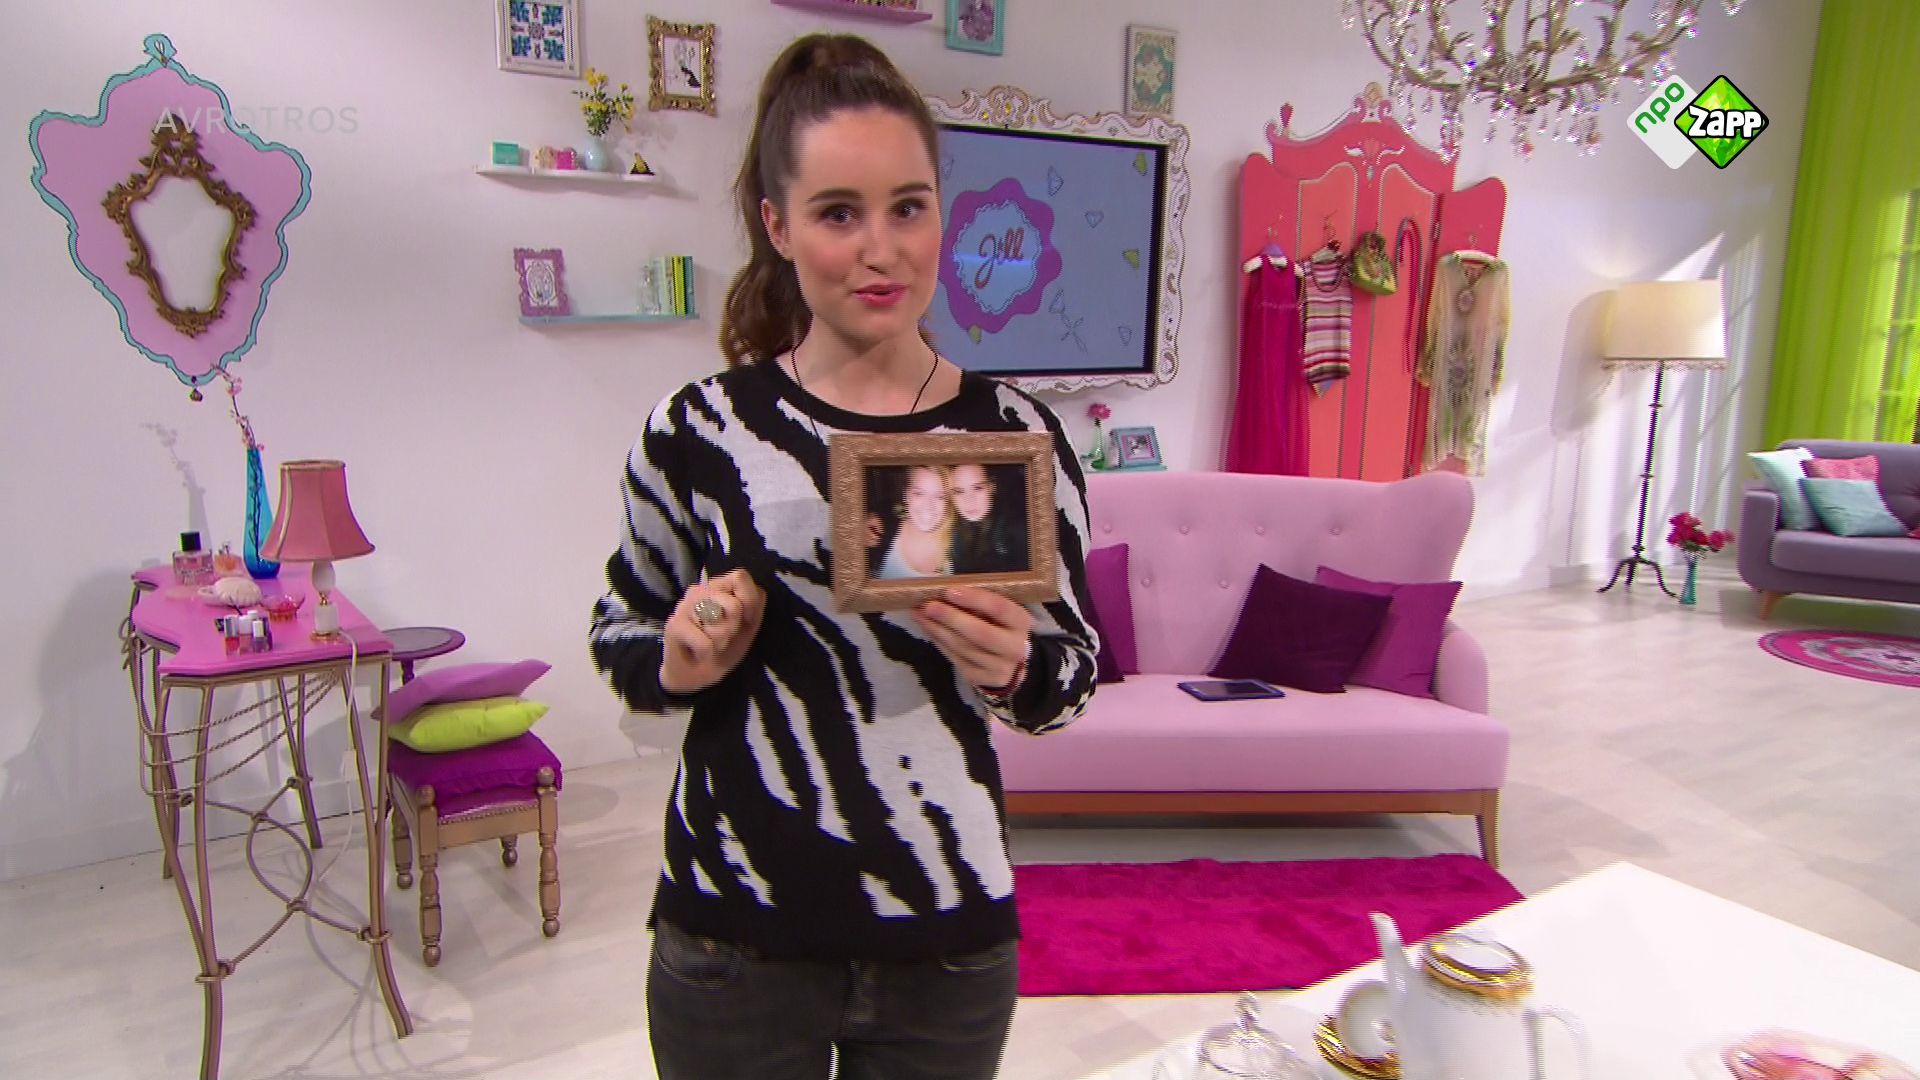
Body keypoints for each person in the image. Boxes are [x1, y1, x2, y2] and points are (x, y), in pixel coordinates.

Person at [587, 32, 1101, 1080]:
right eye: (837, 213)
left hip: (946, 936)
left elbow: (1074, 670)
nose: (882, 249)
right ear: (777, 225)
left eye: (909, 207)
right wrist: (681, 657)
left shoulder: (1015, 434)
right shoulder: (701, 429)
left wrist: (1014, 666)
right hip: (737, 930)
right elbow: (620, 632)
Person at [873, 463, 954, 579]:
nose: (929, 506)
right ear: (906, 495)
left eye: (939, 497)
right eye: (919, 493)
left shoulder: (958, 542)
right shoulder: (879, 532)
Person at [948, 462, 1028, 574]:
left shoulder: (1018, 527)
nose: (969, 500)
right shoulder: (947, 528)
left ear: (991, 487)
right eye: (959, 491)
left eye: (977, 488)